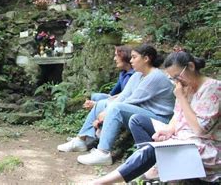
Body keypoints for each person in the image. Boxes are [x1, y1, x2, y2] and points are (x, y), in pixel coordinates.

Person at [93, 51, 220, 184]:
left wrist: (181, 97)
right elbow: (177, 116)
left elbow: (200, 130)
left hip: (206, 146)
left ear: (191, 66)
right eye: (173, 78)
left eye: (178, 76)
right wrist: (168, 130)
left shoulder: (213, 88)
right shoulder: (185, 86)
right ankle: (149, 170)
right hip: (183, 138)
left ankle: (102, 182)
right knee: (140, 125)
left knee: (153, 150)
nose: (177, 81)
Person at [58, 45, 175, 166]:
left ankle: (103, 153)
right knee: (102, 102)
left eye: (134, 57)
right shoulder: (137, 75)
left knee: (116, 107)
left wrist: (107, 112)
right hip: (143, 113)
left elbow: (132, 100)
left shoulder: (155, 76)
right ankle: (81, 140)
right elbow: (123, 96)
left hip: (159, 119)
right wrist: (104, 108)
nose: (131, 60)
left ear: (146, 59)